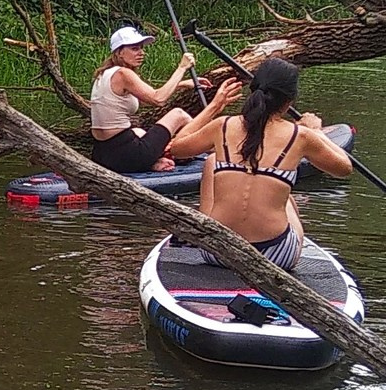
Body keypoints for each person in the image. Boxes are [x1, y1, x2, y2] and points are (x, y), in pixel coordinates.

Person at [190, 57, 354, 271]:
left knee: (212, 162)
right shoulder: (301, 135)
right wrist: (316, 132)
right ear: (289, 101)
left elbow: (176, 147)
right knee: (285, 198)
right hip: (275, 257)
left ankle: (210, 229)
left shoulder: (223, 125)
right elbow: (344, 168)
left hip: (216, 251)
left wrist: (215, 107)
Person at [88, 26, 202, 173]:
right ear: (119, 52)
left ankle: (155, 161)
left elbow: (144, 96)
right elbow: (158, 99)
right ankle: (209, 144)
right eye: (135, 49)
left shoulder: (105, 73)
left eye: (141, 48)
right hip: (126, 154)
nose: (141, 53)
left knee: (139, 132)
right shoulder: (123, 74)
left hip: (102, 154)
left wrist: (181, 85)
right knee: (178, 114)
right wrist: (182, 67)